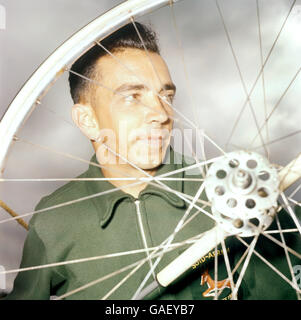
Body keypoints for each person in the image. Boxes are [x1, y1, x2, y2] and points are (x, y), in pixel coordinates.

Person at [4, 22, 300, 300]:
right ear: (88, 120)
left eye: (166, 96)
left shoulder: (240, 193)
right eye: (133, 97)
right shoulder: (54, 219)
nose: (162, 114)